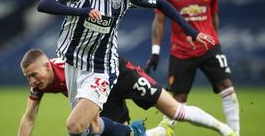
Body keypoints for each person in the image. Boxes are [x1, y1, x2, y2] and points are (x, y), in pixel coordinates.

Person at [37, 0, 215, 136]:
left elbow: (161, 3)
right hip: (73, 66)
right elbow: (44, 4)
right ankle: (133, 133)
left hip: (101, 69)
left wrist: (191, 31)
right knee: (91, 128)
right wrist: (83, 11)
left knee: (74, 126)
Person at [17, 48, 236, 136]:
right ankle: (155, 134)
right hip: (99, 94)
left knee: (174, 111)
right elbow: (29, 118)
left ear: (47, 65)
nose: (32, 81)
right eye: (28, 77)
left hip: (119, 74)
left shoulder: (69, 66)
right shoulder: (38, 84)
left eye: (34, 75)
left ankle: (227, 130)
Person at [146, 0, 240, 136]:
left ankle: (235, 133)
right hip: (181, 51)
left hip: (209, 47)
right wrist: (155, 51)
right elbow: (159, 19)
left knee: (227, 87)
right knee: (178, 99)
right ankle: (166, 131)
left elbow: (213, 15)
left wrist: (216, 41)